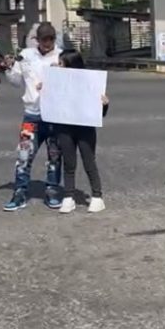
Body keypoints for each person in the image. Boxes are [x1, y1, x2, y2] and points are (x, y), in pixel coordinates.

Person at [2, 22, 63, 211]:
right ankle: (20, 192)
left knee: (54, 155)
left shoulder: (61, 55)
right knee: (23, 154)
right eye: (44, 39)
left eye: (51, 38)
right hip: (31, 115)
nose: (47, 42)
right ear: (37, 39)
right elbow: (15, 82)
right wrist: (9, 68)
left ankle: (52, 189)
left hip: (54, 114)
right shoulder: (26, 56)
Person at [55, 50, 108, 214]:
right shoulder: (57, 81)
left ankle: (97, 196)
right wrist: (45, 89)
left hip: (85, 127)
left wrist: (105, 104)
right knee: (68, 163)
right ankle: (68, 196)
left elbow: (100, 113)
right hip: (64, 127)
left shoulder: (90, 82)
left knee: (88, 161)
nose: (58, 66)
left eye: (61, 63)